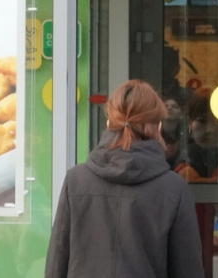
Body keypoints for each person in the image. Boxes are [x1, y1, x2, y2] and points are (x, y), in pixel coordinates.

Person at [45, 79, 204, 278]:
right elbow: (188, 270)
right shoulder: (174, 188)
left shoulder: (76, 180)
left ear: (109, 123)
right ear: (158, 126)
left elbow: (56, 264)